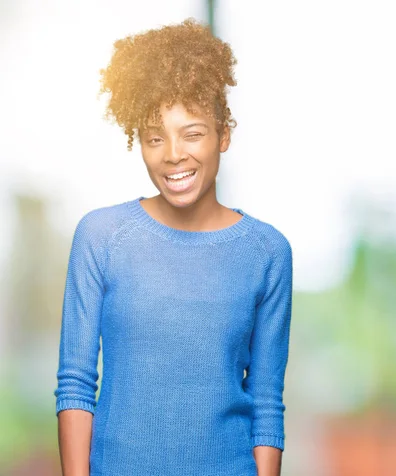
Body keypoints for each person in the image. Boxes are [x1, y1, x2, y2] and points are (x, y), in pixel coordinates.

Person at [53, 18, 293, 476]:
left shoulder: (267, 252)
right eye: (154, 137)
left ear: (224, 134)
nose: (173, 154)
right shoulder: (101, 237)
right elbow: (76, 385)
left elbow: (266, 403)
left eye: (193, 133)